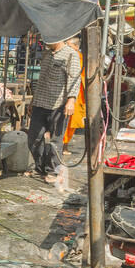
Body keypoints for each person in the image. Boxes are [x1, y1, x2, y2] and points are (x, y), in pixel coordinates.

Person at [27, 34, 83, 182]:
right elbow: (41, 80)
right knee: (34, 138)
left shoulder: (71, 54)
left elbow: (74, 79)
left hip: (59, 104)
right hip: (40, 102)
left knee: (55, 141)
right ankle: (40, 168)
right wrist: (33, 100)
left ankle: (53, 171)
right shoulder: (46, 54)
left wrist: (71, 100)